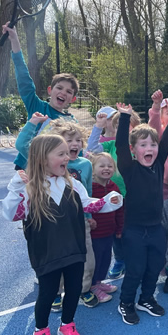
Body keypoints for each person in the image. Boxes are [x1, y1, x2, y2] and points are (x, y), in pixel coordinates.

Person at [2, 134, 122, 335]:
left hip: (74, 249)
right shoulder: (30, 189)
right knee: (47, 293)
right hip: (46, 253)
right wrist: (15, 187)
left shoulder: (72, 183)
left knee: (75, 288)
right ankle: (41, 329)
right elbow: (12, 214)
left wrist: (107, 201)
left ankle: (67, 324)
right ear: (42, 158)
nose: (68, 157)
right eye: (61, 154)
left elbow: (88, 204)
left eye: (68, 153)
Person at [16, 114, 100, 309]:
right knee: (57, 262)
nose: (74, 144)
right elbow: (23, 145)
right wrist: (32, 124)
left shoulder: (85, 164)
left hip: (78, 223)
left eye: (78, 140)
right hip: (52, 224)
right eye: (68, 140)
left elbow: (86, 194)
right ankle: (54, 292)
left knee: (85, 258)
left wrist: (89, 216)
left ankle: (84, 289)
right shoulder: (46, 162)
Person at [115, 98, 168, 325]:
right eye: (143, 145)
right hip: (133, 230)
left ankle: (146, 298)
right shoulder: (129, 167)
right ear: (134, 150)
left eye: (152, 144)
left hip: (155, 229)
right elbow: (120, 145)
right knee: (135, 269)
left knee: (154, 267)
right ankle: (126, 302)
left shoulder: (159, 162)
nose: (149, 148)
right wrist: (124, 117)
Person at [2, 22, 79, 171]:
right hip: (27, 169)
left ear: (73, 99)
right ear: (50, 90)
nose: (63, 92)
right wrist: (14, 40)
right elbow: (24, 79)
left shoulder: (71, 122)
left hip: (53, 172)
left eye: (69, 92)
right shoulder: (37, 106)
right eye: (60, 88)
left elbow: (76, 150)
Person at [86, 108, 141, 280]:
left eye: (129, 127)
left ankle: (132, 259)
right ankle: (119, 260)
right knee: (116, 232)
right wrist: (98, 127)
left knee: (133, 232)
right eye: (119, 126)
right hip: (114, 199)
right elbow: (92, 147)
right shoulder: (110, 145)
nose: (124, 130)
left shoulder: (138, 148)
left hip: (134, 198)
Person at [89, 153, 124, 303]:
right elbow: (85, 208)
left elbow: (120, 209)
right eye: (102, 166)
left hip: (109, 232)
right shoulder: (90, 188)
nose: (106, 168)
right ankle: (91, 286)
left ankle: (98, 283)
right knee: (94, 260)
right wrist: (89, 220)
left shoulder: (113, 187)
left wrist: (119, 228)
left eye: (110, 166)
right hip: (94, 234)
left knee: (105, 259)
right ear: (93, 169)